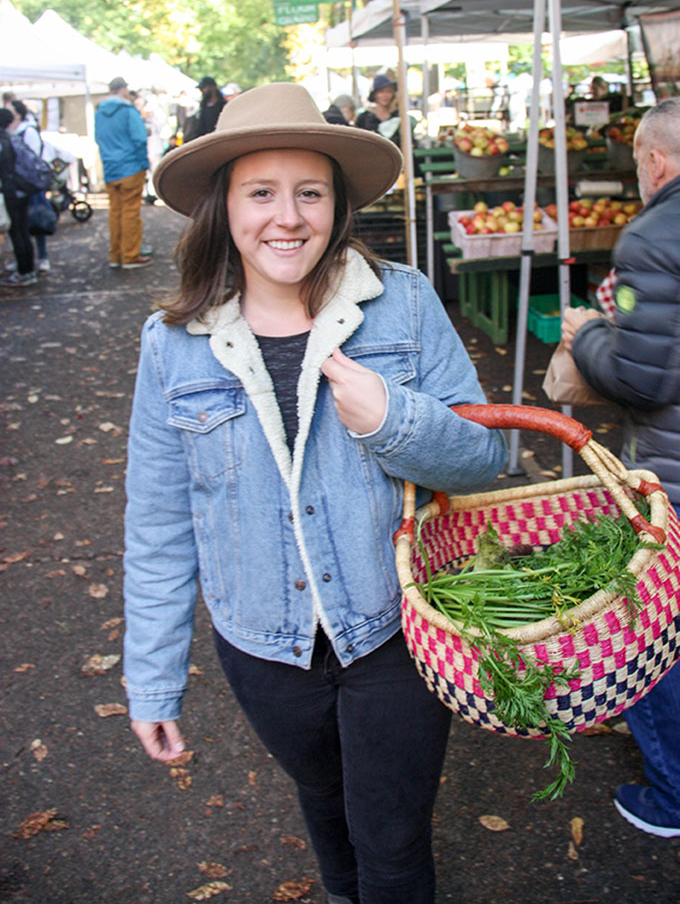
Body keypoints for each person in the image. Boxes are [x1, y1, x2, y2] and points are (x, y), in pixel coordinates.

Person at [123, 82, 508, 903]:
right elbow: (159, 523)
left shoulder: (400, 302)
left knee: (392, 835)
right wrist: (153, 678)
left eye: (310, 191)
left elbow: (488, 456)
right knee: (327, 802)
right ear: (224, 207)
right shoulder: (172, 344)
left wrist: (394, 421)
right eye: (261, 192)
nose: (286, 216)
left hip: (394, 637)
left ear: (337, 203)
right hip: (264, 649)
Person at [562, 96, 680, 840]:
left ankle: (670, 794)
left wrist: (588, 335)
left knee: (657, 627)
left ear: (654, 160)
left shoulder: (651, 237)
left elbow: (640, 379)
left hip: (674, 471)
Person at [94, 77, 151, 269]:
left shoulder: (100, 112)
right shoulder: (127, 111)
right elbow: (139, 138)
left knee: (115, 213)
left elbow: (99, 139)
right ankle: (130, 256)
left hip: (111, 168)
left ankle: (115, 255)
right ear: (123, 89)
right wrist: (144, 163)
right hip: (131, 166)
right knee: (130, 212)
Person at [7, 99, 51, 274]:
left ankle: (42, 257)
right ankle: (24, 260)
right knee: (22, 225)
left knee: (37, 221)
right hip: (18, 185)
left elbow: (34, 158)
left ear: (18, 113)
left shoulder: (28, 131)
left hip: (29, 184)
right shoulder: (11, 132)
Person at [0, 107, 37, 287]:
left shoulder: (3, 141)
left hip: (10, 192)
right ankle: (28, 269)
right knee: (22, 230)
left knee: (17, 232)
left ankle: (24, 271)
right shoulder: (13, 138)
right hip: (21, 190)